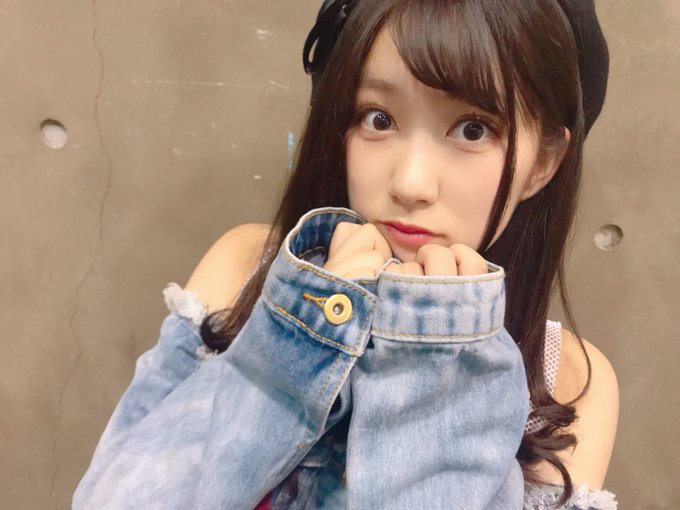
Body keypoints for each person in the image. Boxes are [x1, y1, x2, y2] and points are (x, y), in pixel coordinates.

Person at [73, 0, 619, 508]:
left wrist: (434, 356)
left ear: (543, 162)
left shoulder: (568, 380)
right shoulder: (245, 267)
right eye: (378, 118)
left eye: (473, 129)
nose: (410, 183)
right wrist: (298, 340)